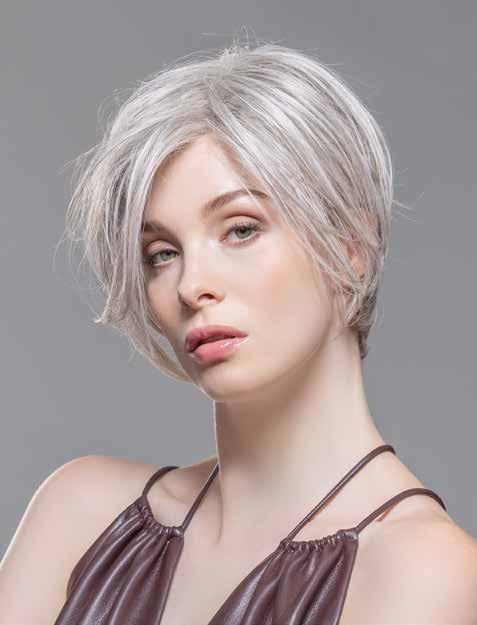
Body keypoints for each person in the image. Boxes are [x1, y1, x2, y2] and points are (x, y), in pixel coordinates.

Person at [1, 38, 476, 625]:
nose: (191, 284)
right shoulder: (80, 515)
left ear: (352, 246)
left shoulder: (422, 570)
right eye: (161, 253)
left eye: (241, 229)